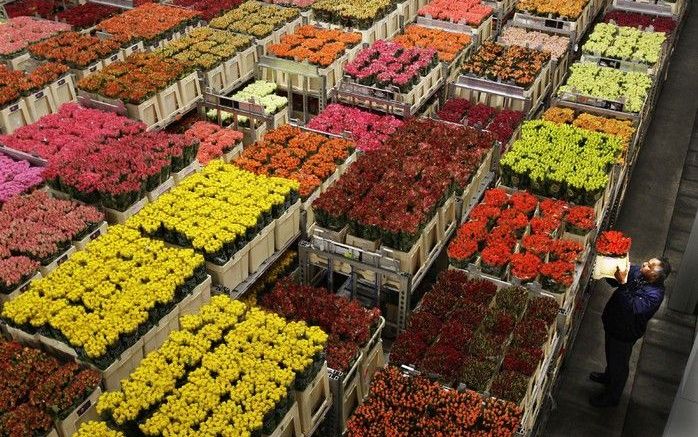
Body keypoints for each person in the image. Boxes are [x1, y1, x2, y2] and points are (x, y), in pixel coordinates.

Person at [588, 257, 671, 408]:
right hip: (613, 323)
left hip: (625, 332)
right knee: (611, 354)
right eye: (647, 262)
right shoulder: (639, 273)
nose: (644, 264)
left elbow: (631, 307)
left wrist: (622, 283)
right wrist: (612, 272)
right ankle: (608, 376)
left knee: (619, 363)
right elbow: (617, 281)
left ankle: (612, 397)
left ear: (654, 276)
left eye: (649, 266)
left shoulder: (654, 295)